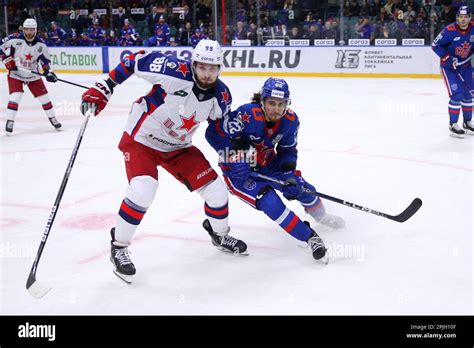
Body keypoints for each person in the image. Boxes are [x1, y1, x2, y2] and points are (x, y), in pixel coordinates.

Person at [80, 39, 248, 284]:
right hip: (143, 140)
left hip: (179, 147)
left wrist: (231, 153)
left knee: (217, 191)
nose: (207, 74)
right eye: (203, 67)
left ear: (220, 68)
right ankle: (119, 246)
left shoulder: (221, 96)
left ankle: (220, 235)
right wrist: (105, 86)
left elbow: (217, 130)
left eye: (213, 69)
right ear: (194, 64)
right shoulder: (174, 71)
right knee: (143, 189)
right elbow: (134, 60)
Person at [205, 77, 345, 263]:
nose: (276, 109)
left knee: (304, 189)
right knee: (270, 202)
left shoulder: (290, 121)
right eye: (271, 103)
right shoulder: (247, 114)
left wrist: (289, 175)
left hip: (269, 164)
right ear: (261, 101)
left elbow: (287, 150)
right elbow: (214, 133)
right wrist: (233, 156)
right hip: (239, 173)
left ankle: (322, 216)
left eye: (281, 104)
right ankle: (311, 237)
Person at [0, 18, 61, 136]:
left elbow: (45, 61)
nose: (29, 32)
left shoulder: (41, 44)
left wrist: (48, 72)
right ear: (23, 29)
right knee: (15, 96)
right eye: (27, 29)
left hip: (33, 75)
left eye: (31, 30)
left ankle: (52, 118)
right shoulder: (14, 38)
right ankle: (10, 121)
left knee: (45, 98)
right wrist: (6, 59)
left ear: (36, 30)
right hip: (15, 74)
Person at [432, 5, 473, 138]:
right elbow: (435, 45)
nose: (463, 20)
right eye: (460, 17)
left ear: (470, 18)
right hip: (449, 68)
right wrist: (447, 57)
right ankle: (453, 125)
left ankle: (467, 122)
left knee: (469, 94)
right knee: (457, 95)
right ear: (457, 18)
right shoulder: (449, 30)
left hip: (466, 66)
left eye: (466, 17)